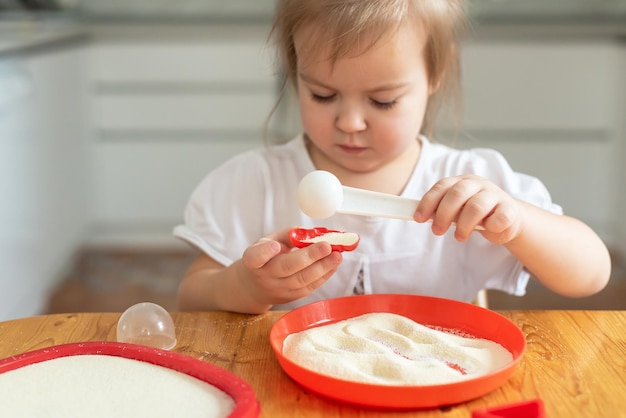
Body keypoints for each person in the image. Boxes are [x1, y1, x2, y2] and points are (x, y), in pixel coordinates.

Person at [174, 0, 611, 314]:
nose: (349, 122)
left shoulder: (471, 181)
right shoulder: (255, 183)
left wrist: (517, 221)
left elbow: (591, 274)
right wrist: (245, 287)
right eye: (322, 95)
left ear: (434, 74)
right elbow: (191, 297)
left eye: (382, 101)